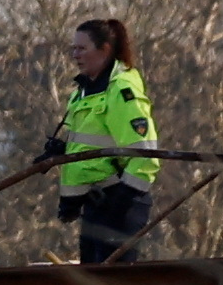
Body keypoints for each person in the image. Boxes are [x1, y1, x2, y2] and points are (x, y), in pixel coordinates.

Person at [56, 19, 158, 268]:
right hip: (96, 204)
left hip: (120, 205)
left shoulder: (121, 92)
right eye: (74, 48)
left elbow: (145, 153)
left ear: (104, 50)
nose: (75, 55)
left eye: (82, 49)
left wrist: (123, 199)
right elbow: (88, 147)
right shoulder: (84, 92)